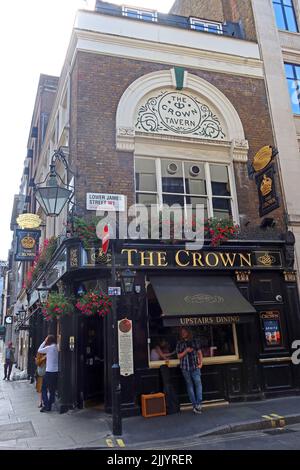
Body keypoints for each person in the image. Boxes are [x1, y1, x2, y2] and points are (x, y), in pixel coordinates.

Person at [176, 327, 203, 415]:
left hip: (195, 367)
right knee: (190, 386)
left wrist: (201, 363)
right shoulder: (180, 343)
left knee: (198, 384)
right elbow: (179, 356)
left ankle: (199, 404)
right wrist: (186, 351)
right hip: (185, 368)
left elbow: (199, 353)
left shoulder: (194, 341)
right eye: (182, 332)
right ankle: (194, 405)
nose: (183, 333)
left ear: (188, 332)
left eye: (184, 332)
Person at [38, 335, 58, 412]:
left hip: (49, 371)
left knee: (43, 388)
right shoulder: (56, 347)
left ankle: (47, 405)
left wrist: (44, 341)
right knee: (52, 389)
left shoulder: (49, 348)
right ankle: (49, 404)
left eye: (47, 339)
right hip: (56, 371)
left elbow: (39, 350)